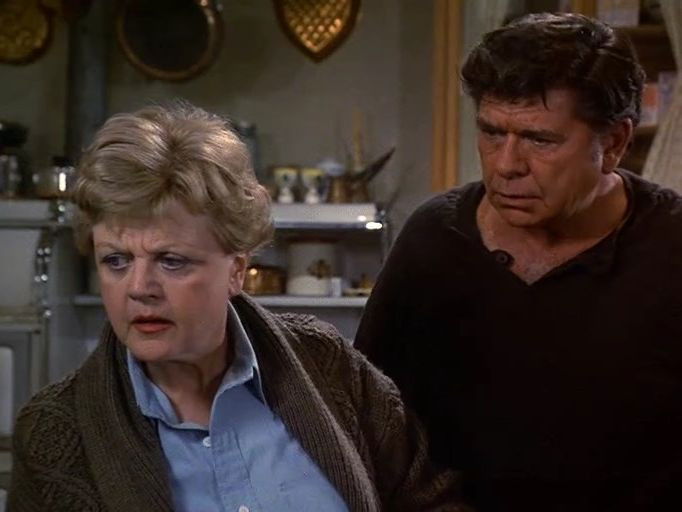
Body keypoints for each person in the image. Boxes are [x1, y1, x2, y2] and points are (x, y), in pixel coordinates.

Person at [7, 103, 467, 512]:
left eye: (171, 261)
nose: (139, 288)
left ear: (236, 270)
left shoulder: (327, 364)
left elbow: (429, 499)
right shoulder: (55, 435)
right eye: (116, 261)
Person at [356, 12, 682, 512]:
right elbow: (366, 412)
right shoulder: (434, 240)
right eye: (492, 133)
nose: (506, 165)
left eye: (539, 140)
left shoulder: (670, 246)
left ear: (614, 142)